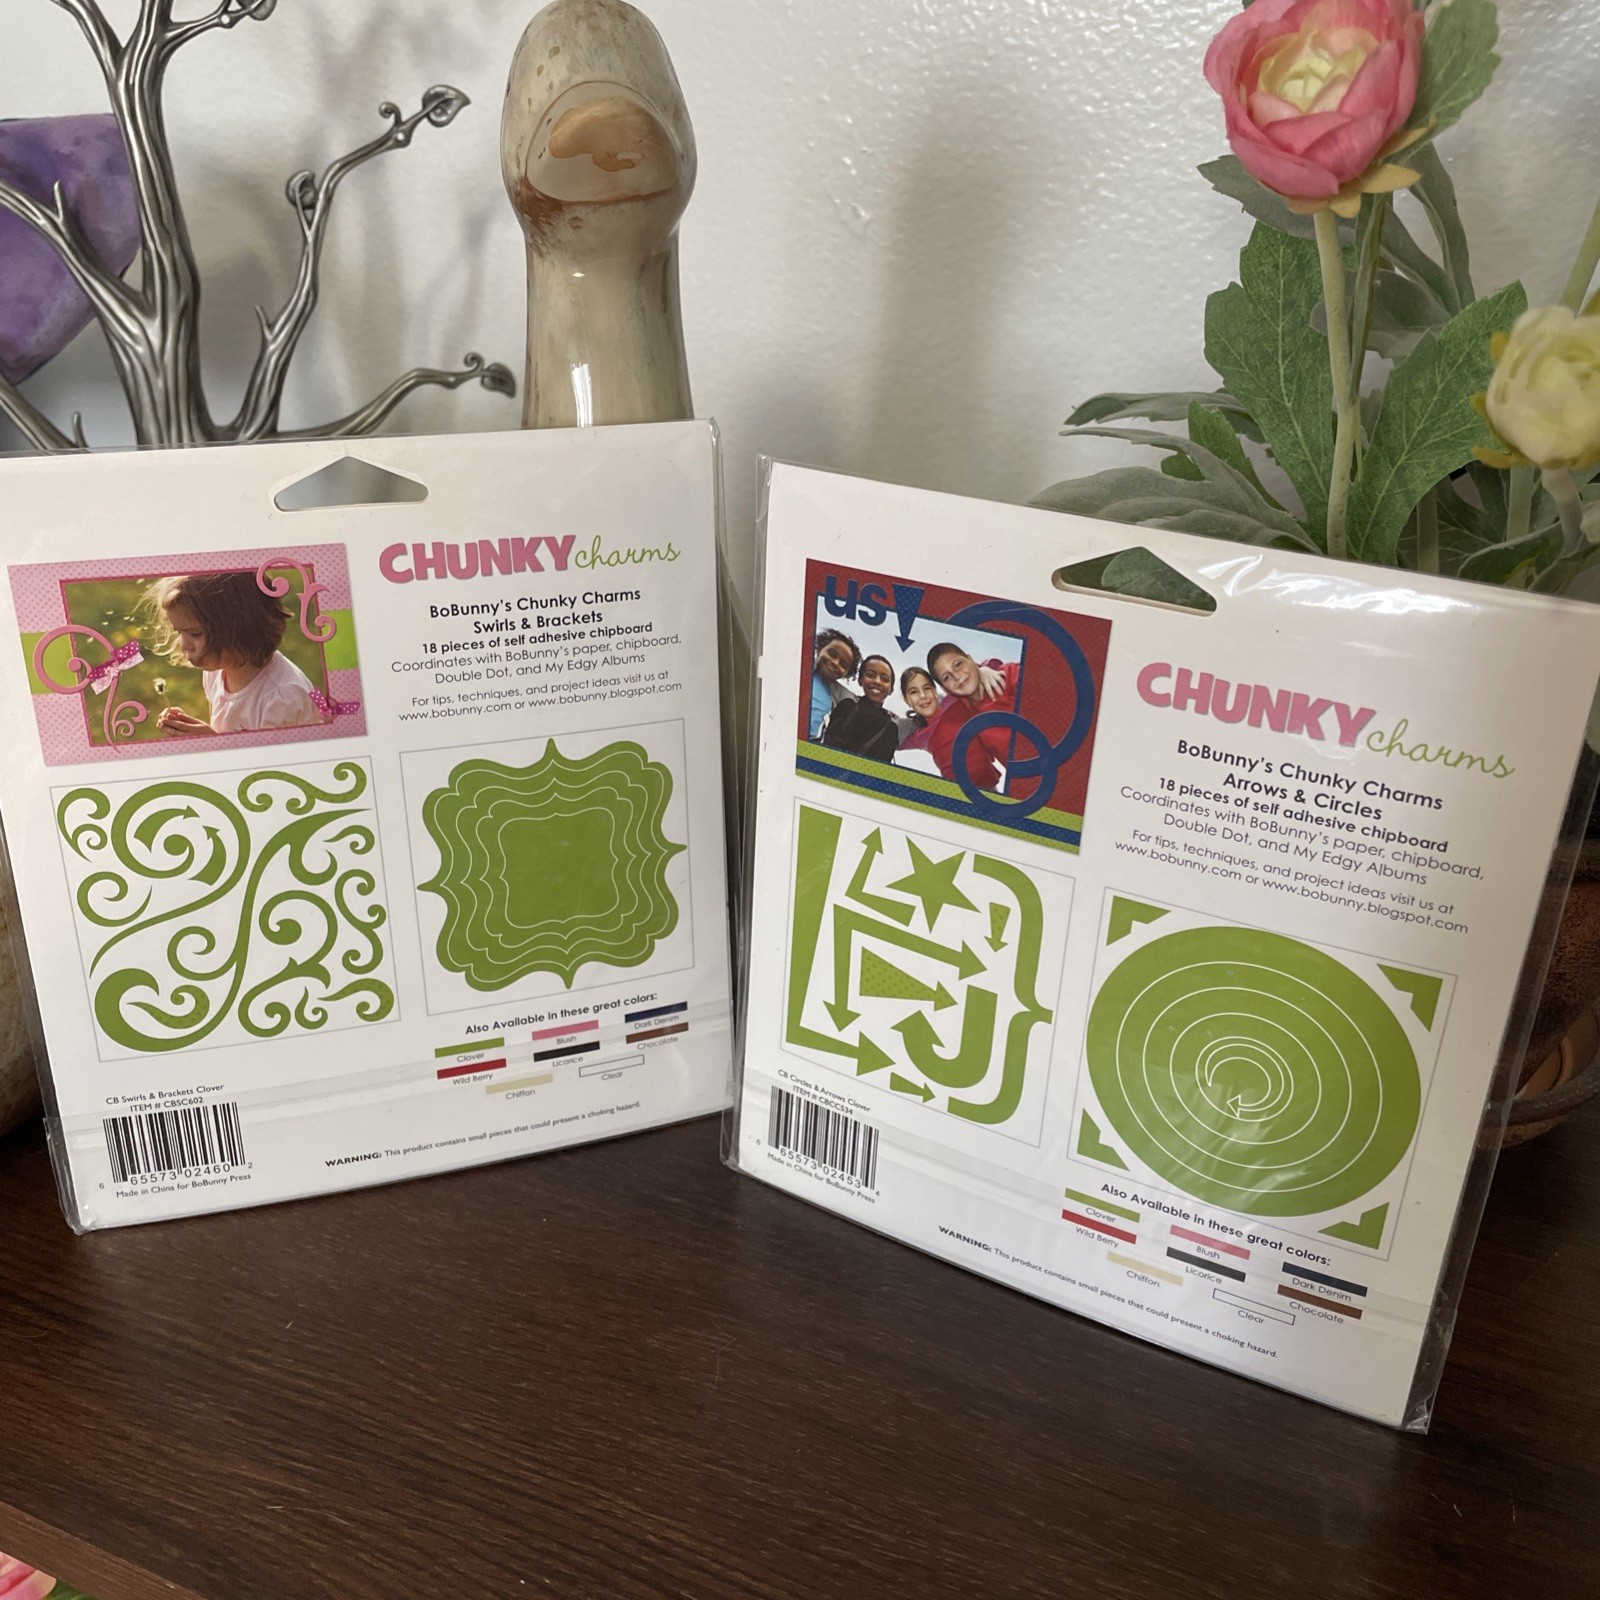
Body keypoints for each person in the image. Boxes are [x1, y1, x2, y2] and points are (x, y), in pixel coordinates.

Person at [142, 571, 321, 735]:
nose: (185, 646)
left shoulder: (282, 697)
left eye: (195, 634)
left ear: (238, 628)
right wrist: (199, 733)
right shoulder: (216, 674)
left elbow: (269, 759)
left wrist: (211, 742)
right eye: (179, 632)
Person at [924, 642, 1023, 791]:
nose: (957, 676)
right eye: (946, 677)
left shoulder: (1007, 676)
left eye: (958, 665)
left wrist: (983, 668)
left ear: (970, 659)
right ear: (945, 689)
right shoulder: (964, 714)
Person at [822, 653, 900, 761]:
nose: (877, 681)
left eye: (885, 679)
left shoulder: (892, 728)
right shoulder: (846, 706)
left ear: (891, 689)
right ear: (860, 680)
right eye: (870, 675)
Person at [808, 627, 860, 740]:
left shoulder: (835, 700)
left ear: (846, 674)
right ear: (819, 650)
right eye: (832, 654)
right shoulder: (801, 671)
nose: (836, 663)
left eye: (843, 664)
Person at [896, 666, 944, 753]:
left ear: (935, 691)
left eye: (927, 688)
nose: (922, 696)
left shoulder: (954, 703)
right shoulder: (918, 736)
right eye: (914, 692)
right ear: (907, 700)